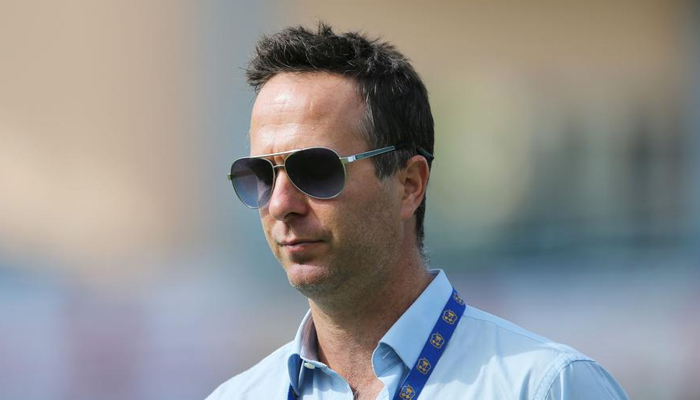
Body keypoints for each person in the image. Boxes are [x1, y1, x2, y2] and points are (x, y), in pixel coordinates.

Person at [207, 23, 629, 400]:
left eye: (315, 170)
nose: (280, 204)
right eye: (259, 174)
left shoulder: (546, 386)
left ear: (409, 185)